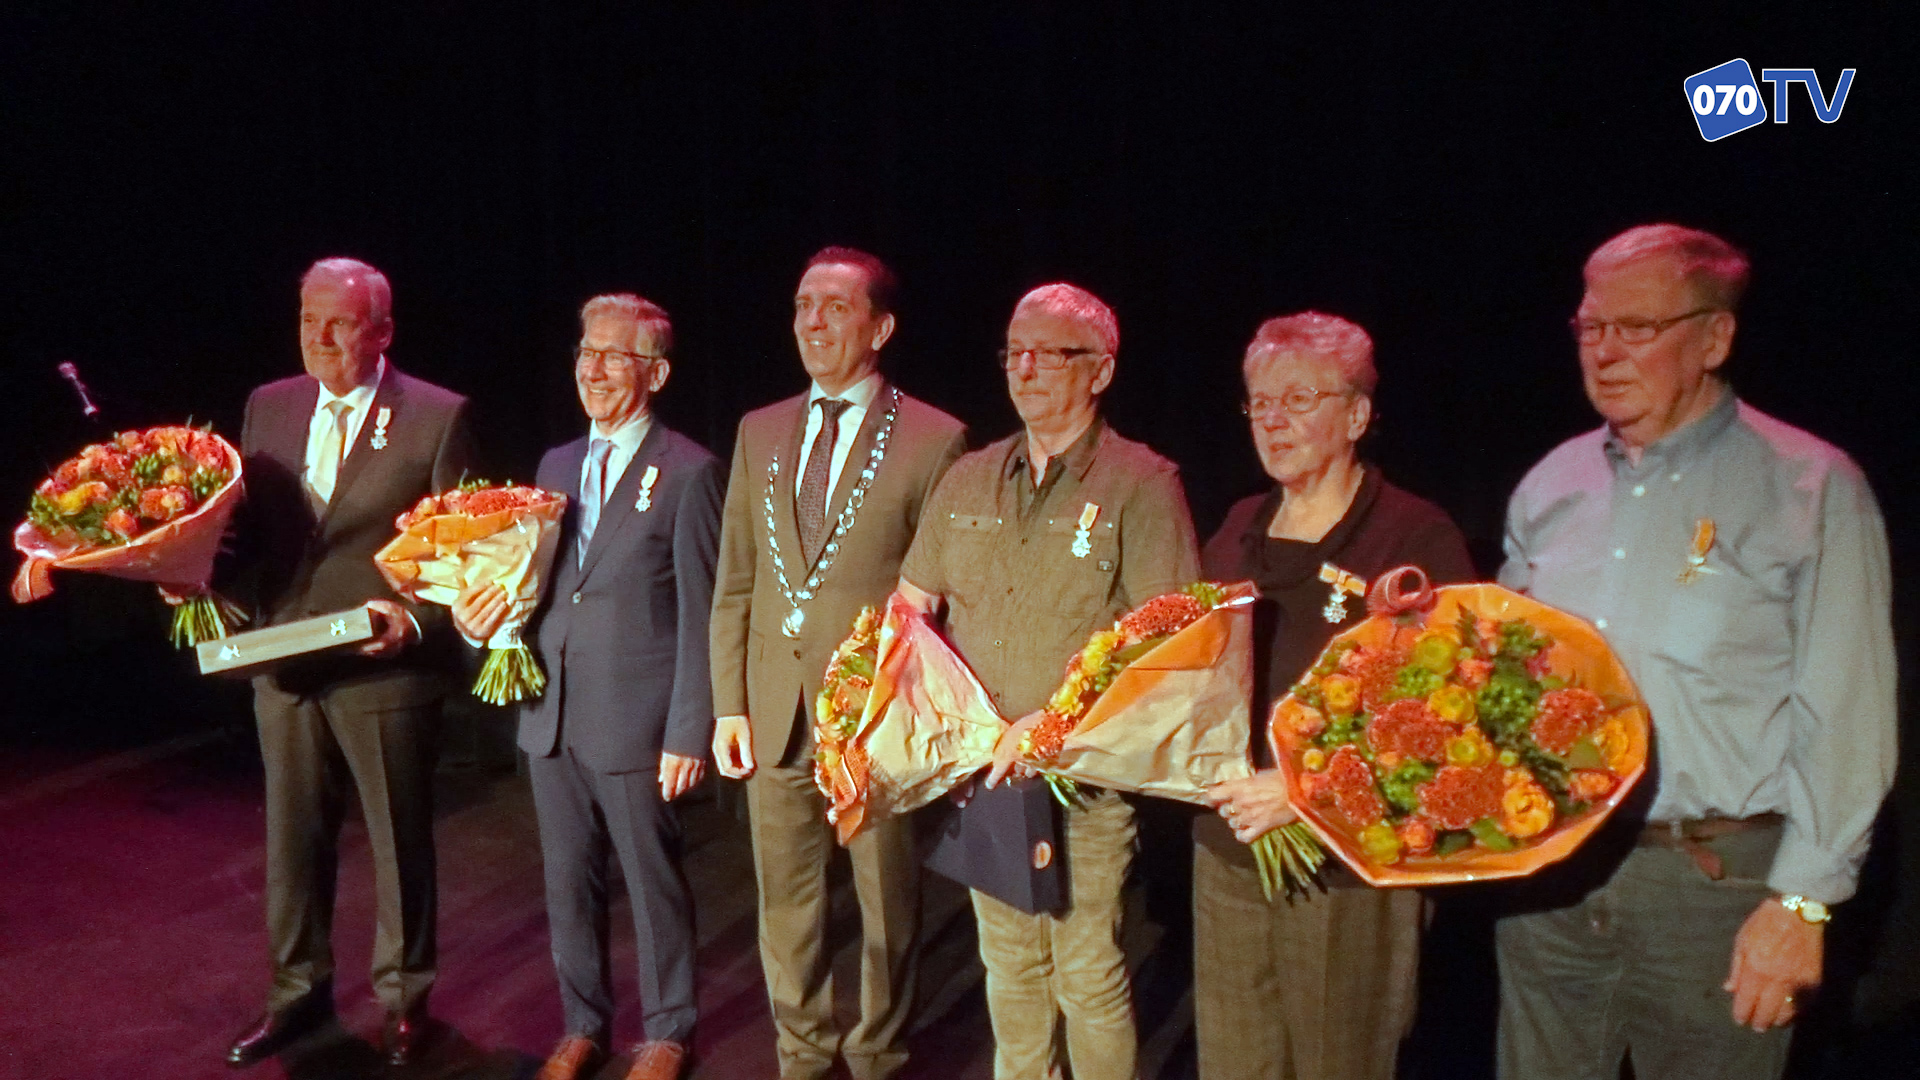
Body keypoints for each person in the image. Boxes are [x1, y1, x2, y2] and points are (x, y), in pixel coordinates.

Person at [1494, 224, 1896, 1079]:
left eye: (1635, 328)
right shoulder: (1550, 486)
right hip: (1551, 883)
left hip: (1712, 889)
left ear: (1714, 336)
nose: (1604, 352)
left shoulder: (1811, 486)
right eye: (1590, 328)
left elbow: (1847, 709)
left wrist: (1803, 903)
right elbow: (1503, 680)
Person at [897, 283, 1200, 1080]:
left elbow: (1169, 643)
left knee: (1086, 975)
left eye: (1047, 352)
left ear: (1099, 370)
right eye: (1012, 351)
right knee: (1011, 968)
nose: (1023, 368)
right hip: (983, 776)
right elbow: (909, 609)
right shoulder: (968, 478)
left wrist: (1055, 724)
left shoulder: (1140, 484)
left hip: (1083, 785)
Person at [709, 247, 966, 1080]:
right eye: (800, 305)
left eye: (833, 307)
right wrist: (728, 704)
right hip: (774, 707)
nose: (811, 322)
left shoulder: (935, 438)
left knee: (888, 904)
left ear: (880, 327)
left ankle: (880, 1053)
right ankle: (802, 1054)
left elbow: (943, 595)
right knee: (787, 905)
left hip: (874, 714)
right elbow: (736, 579)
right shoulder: (760, 429)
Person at [1196, 313, 1474, 1080]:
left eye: (1298, 398)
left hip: (1345, 860)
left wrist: (1306, 786)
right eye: (1259, 401)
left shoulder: (1413, 538)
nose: (1273, 419)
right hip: (1226, 848)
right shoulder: (1238, 526)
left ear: (1356, 415)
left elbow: (1448, 713)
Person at [453, 294, 721, 1080]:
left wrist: (688, 730)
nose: (593, 369)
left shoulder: (691, 471)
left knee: (651, 881)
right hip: (553, 712)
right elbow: (535, 586)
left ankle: (669, 1031)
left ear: (657, 372)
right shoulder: (555, 466)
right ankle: (582, 1025)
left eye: (614, 356)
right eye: (584, 353)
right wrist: (482, 621)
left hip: (637, 719)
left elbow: (705, 611)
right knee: (566, 879)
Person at [222, 257, 478, 1068]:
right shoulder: (269, 406)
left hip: (384, 672)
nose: (319, 337)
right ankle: (295, 996)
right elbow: (240, 537)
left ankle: (407, 1005)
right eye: (307, 320)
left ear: (382, 331)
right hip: (285, 664)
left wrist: (414, 620)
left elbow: (472, 556)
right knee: (292, 846)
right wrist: (190, 575)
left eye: (338, 322)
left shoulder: (437, 417)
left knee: (400, 845)